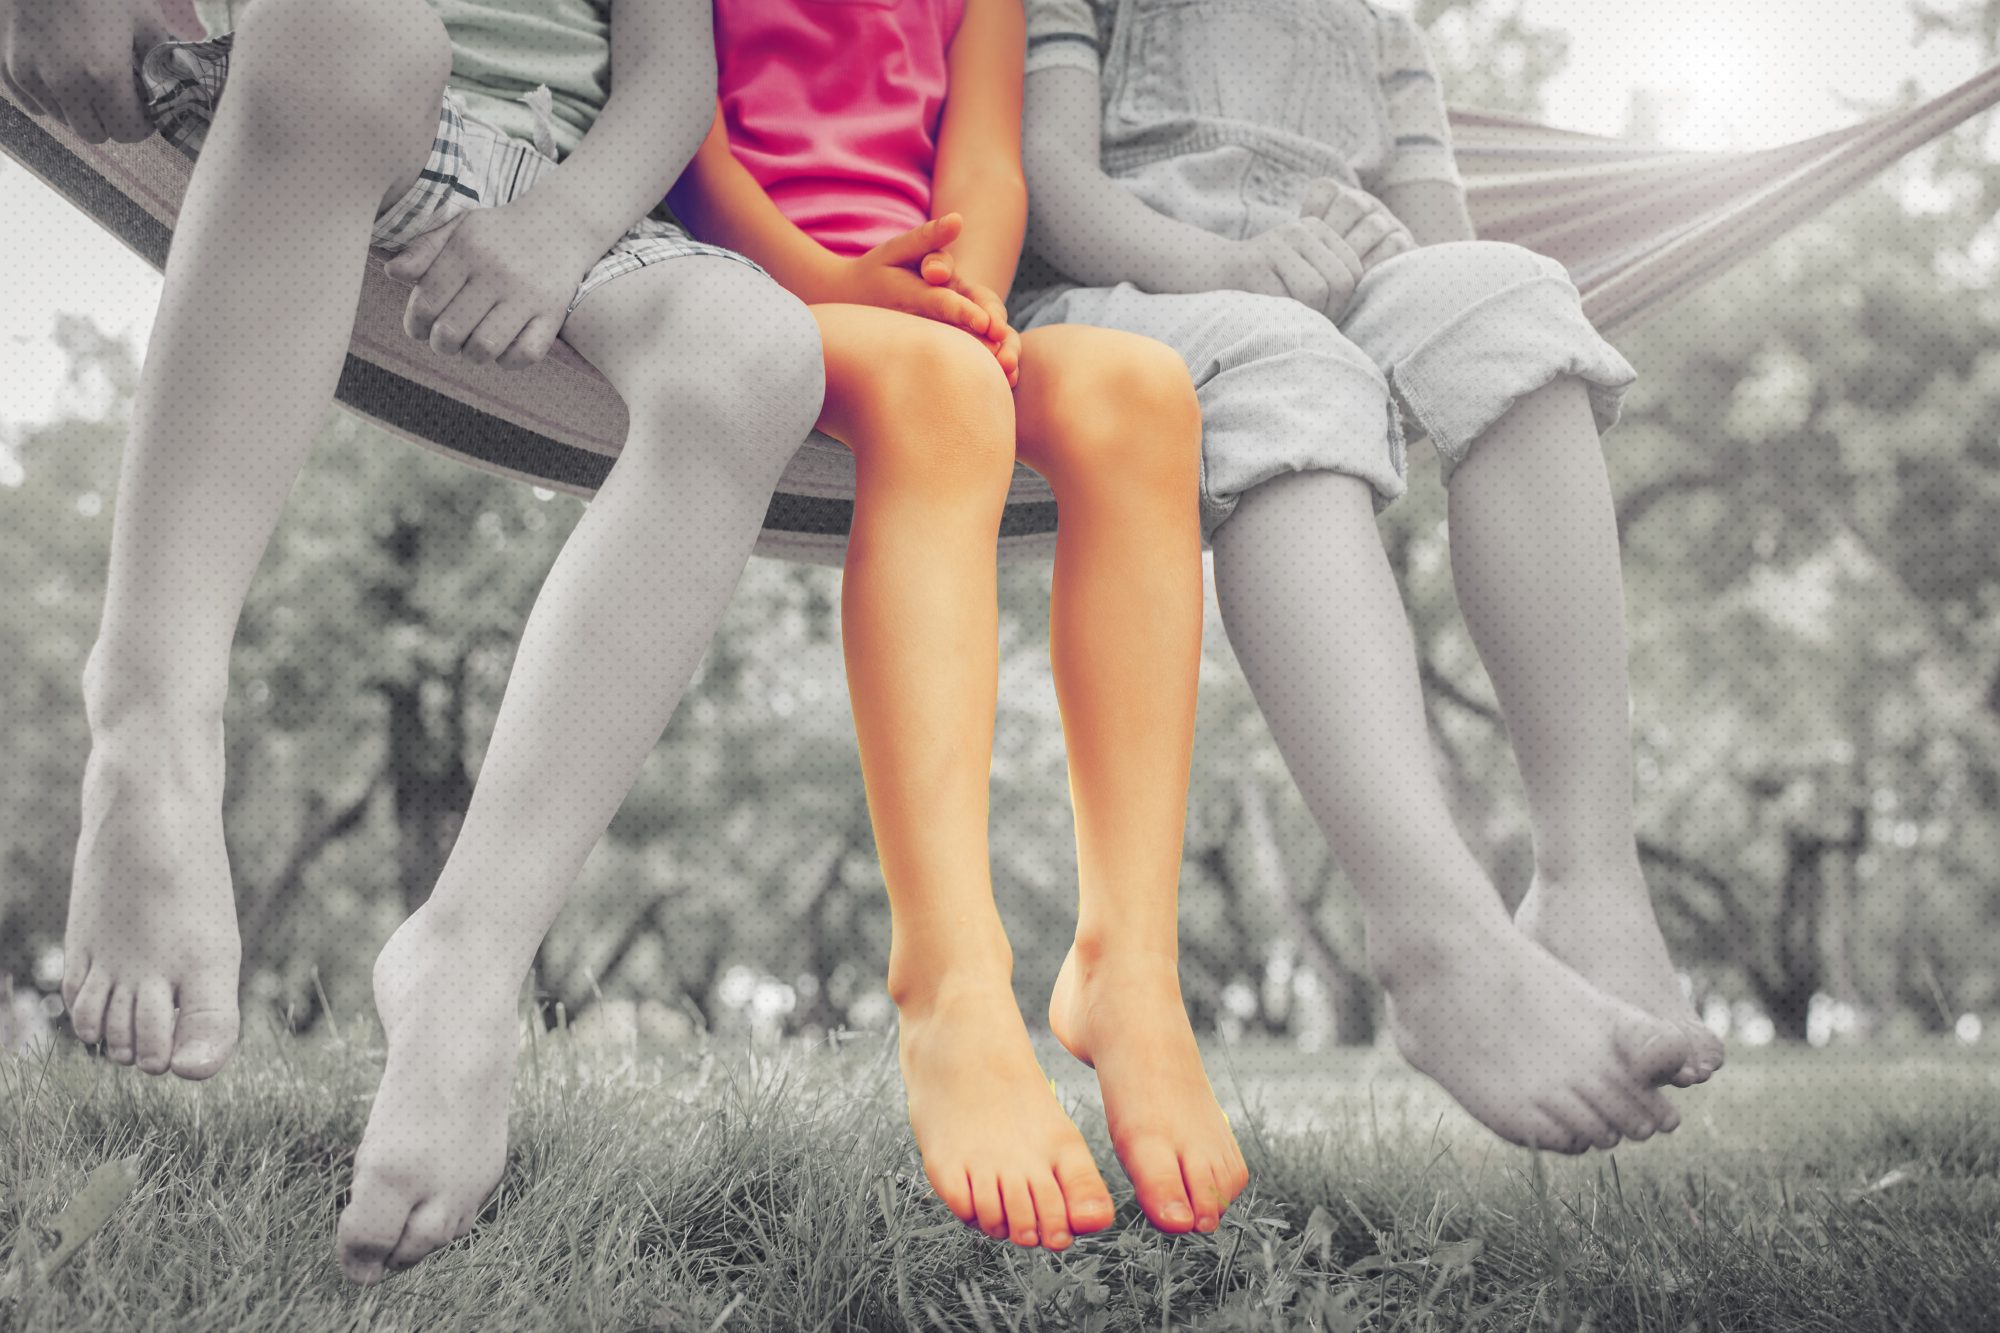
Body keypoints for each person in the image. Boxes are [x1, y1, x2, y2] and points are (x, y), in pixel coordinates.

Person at [3, 0, 826, 1283]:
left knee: (760, 354)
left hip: (540, 186)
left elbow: (672, 74)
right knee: (360, 33)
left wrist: (561, 226)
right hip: (300, 68)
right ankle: (151, 726)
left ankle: (467, 958)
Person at [1014, 0, 1725, 1154]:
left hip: (1319, 301)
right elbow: (1051, 188)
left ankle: (1588, 874)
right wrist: (1234, 264)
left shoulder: (1380, 27)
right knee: (1284, 361)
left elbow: (1438, 245)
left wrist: (1373, 238)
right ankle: (1431, 935)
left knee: (1510, 299)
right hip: (1117, 302)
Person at [667, 0, 1242, 1251]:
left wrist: (969, 289)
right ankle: (948, 970)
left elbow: (984, 154)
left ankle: (1127, 970)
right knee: (945, 395)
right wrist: (834, 282)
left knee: (1140, 395)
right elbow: (680, 135)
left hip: (940, 310)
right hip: (750, 292)